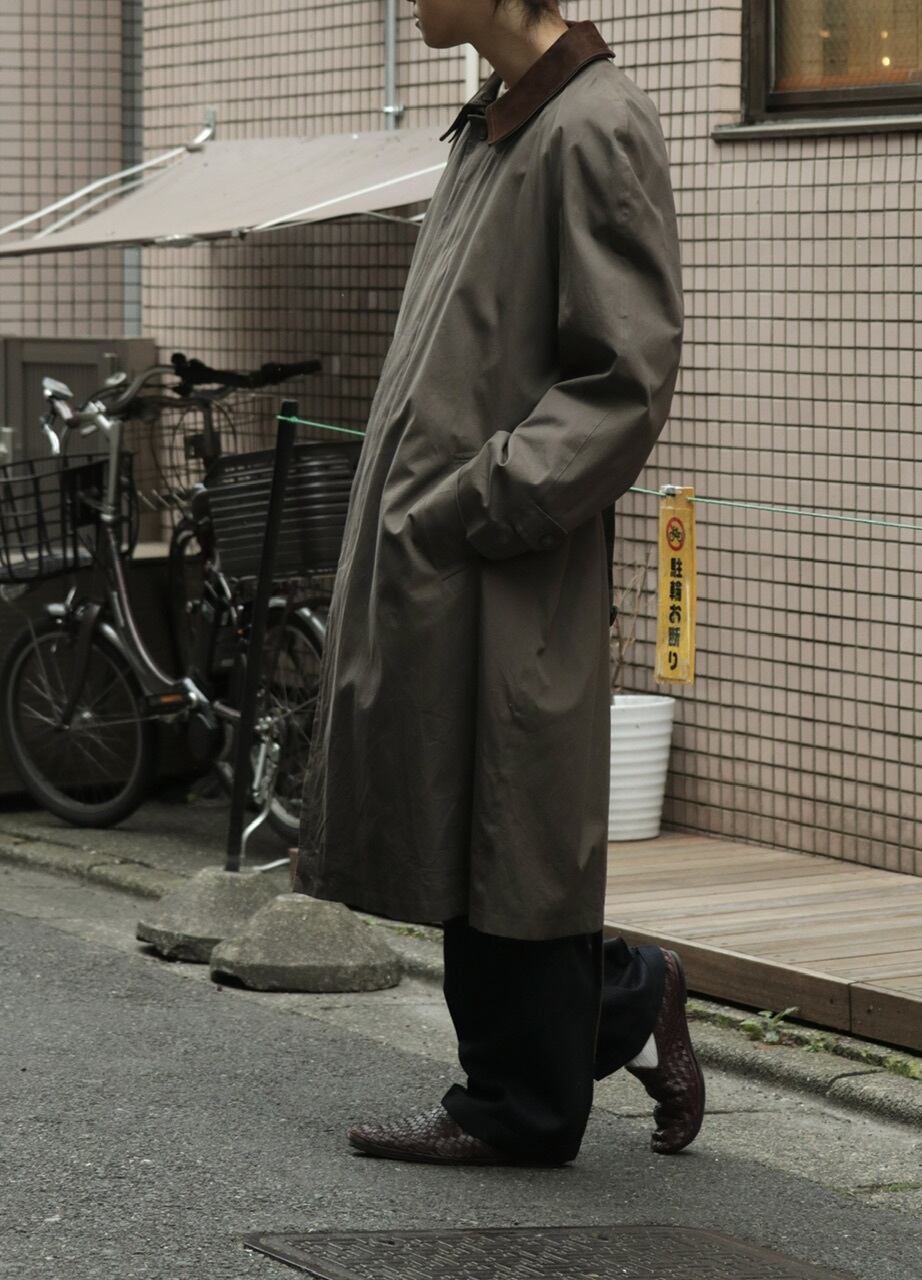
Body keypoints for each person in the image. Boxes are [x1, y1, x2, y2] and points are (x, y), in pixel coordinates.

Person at [293, 0, 704, 1167]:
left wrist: (477, 501)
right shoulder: (495, 123)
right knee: (471, 825)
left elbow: (623, 377)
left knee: (508, 823)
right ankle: (612, 1007)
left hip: (504, 552)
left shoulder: (592, 123)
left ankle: (519, 1102)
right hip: (448, 552)